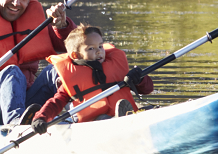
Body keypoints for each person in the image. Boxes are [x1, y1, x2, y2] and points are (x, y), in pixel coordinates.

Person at [27, 25, 156, 129]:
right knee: (103, 119)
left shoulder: (116, 68)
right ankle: (121, 120)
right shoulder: (72, 78)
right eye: (91, 49)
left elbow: (147, 89)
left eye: (100, 46)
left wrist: (140, 79)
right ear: (76, 55)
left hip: (120, 118)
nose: (99, 51)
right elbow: (55, 102)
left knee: (150, 110)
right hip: (91, 126)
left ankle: (125, 118)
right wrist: (41, 117)